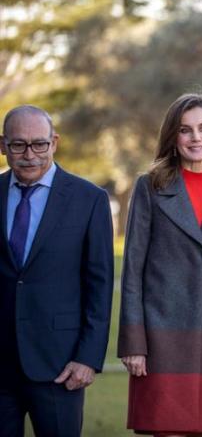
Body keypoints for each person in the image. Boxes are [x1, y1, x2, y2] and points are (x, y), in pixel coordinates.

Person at [117, 93, 202, 436]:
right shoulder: (150, 187)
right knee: (167, 430)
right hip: (162, 337)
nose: (196, 138)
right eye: (185, 130)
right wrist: (133, 342)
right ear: (173, 138)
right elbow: (133, 270)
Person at [0, 105, 114, 437]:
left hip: (60, 365)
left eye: (39, 144)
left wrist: (88, 358)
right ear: (3, 144)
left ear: (55, 142)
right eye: (18, 145)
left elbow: (100, 284)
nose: (29, 154)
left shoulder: (88, 199)